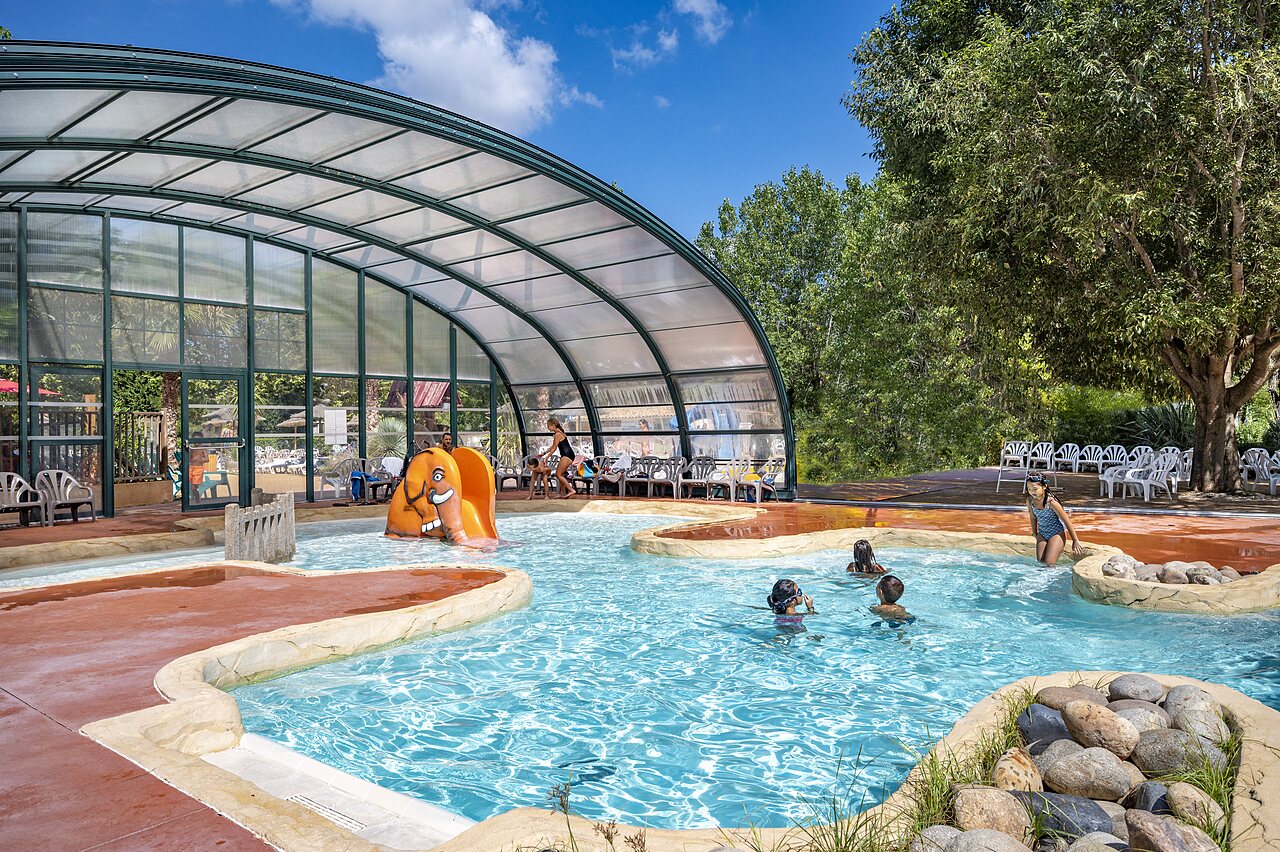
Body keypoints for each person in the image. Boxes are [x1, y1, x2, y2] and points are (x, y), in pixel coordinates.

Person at [1025, 473, 1084, 565]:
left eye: (1035, 489)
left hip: (1056, 534)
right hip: (1042, 534)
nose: (1032, 492)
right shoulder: (1030, 500)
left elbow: (1066, 521)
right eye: (1029, 489)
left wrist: (1075, 540)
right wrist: (1035, 533)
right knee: (1040, 563)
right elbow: (1032, 516)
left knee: (1049, 563)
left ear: (1044, 486)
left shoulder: (1052, 503)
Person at [537, 417, 578, 498]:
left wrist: (547, 457)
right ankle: (562, 493)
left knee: (558, 474)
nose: (547, 428)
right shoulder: (559, 432)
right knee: (561, 473)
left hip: (567, 455)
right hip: (567, 454)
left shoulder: (557, 434)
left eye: (548, 426)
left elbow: (554, 448)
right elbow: (552, 446)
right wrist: (544, 453)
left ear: (553, 425)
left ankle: (571, 490)